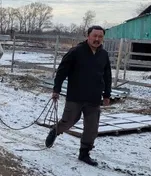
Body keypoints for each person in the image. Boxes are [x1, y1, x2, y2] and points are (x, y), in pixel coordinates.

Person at [45, 25, 112, 166]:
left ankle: (84, 153)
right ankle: (55, 131)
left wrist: (107, 94)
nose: (97, 39)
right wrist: (56, 89)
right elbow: (62, 71)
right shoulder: (76, 52)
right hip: (75, 95)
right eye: (95, 36)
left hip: (94, 97)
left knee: (92, 128)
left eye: (100, 37)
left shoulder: (104, 55)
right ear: (88, 36)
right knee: (68, 121)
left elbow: (107, 75)